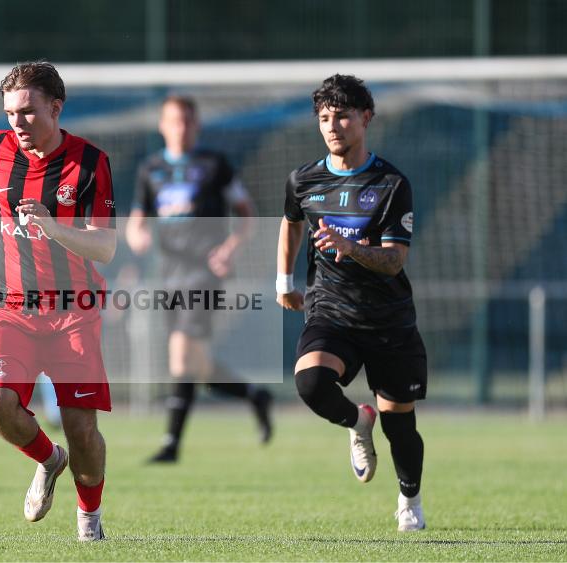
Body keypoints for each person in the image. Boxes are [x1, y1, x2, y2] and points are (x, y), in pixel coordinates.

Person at [0, 61, 116, 541]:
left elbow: (105, 247)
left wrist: (55, 227)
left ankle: (90, 519)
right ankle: (48, 458)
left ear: (55, 108)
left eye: (27, 112)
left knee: (83, 430)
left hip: (74, 313)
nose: (16, 123)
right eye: (9, 113)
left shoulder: (90, 163)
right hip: (9, 307)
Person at [276, 74, 428, 531]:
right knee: (310, 383)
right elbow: (291, 221)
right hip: (331, 311)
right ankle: (356, 422)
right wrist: (284, 279)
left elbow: (394, 261)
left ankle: (410, 501)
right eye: (324, 118)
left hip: (388, 320)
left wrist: (352, 247)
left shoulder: (390, 183)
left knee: (399, 425)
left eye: (342, 115)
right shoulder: (303, 180)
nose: (332, 126)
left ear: (366, 117)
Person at [126, 95, 273, 464]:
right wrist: (137, 236)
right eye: (175, 121)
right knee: (199, 367)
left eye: (188, 121)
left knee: (180, 356)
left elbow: (247, 214)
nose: (182, 127)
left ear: (197, 125)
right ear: (162, 125)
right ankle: (254, 395)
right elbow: (136, 220)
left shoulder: (214, 165)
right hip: (169, 276)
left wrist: (230, 248)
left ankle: (170, 445)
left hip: (204, 275)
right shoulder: (152, 168)